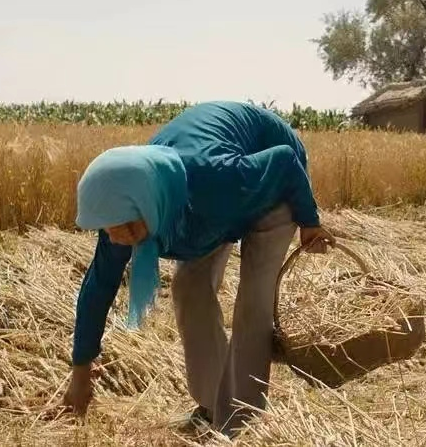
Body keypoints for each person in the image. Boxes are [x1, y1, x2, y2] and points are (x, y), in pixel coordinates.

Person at [62, 101, 335, 437]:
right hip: (206, 209)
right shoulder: (125, 210)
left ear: (146, 201)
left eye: (123, 225)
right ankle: (211, 406)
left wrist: (310, 222)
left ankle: (241, 423)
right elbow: (98, 288)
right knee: (189, 288)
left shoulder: (217, 179)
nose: (118, 236)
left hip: (272, 184)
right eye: (107, 228)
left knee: (253, 303)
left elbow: (284, 161)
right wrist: (80, 373)